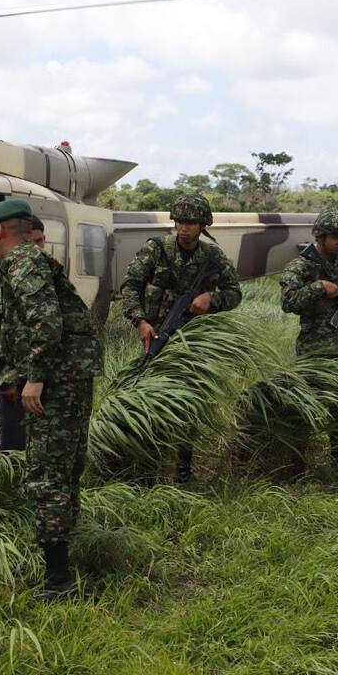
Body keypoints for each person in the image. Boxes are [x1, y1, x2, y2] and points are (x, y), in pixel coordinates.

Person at [0, 198, 102, 598]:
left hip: (58, 380)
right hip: (67, 374)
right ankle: (64, 555)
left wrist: (35, 379)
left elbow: (46, 324)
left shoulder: (24, 263)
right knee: (62, 469)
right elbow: (24, 327)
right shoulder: (23, 265)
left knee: (48, 472)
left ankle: (59, 580)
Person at [118, 192, 242, 483]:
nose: (184, 227)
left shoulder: (212, 256)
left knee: (189, 403)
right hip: (157, 336)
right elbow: (130, 286)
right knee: (152, 399)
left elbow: (235, 293)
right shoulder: (157, 249)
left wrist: (211, 298)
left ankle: (183, 469)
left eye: (191, 222)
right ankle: (149, 466)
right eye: (180, 221)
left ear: (203, 225)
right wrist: (140, 321)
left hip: (194, 344)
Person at [279, 207, 338, 471]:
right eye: (336, 238)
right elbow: (288, 302)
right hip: (315, 351)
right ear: (321, 236)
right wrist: (319, 287)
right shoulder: (301, 266)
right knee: (305, 407)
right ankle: (295, 465)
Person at [0, 214, 48, 452]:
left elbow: (50, 329)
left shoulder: (50, 275)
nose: (35, 249)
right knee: (13, 444)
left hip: (44, 375)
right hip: (13, 372)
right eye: (29, 243)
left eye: (39, 242)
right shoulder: (8, 275)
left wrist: (36, 379)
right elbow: (4, 330)